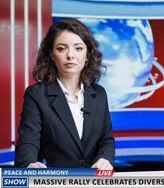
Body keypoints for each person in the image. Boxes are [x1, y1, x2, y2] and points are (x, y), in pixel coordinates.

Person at [15, 18, 115, 169]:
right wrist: (29, 163)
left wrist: (105, 159)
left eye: (78, 48)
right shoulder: (36, 95)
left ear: (87, 55)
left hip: (93, 181)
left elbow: (106, 140)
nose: (70, 55)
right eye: (61, 48)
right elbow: (28, 142)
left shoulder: (99, 94)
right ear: (51, 55)